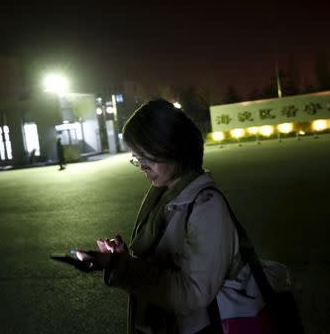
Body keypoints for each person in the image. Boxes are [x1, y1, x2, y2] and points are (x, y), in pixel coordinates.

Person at [76, 99, 241, 334]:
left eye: (147, 156)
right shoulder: (163, 194)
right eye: (136, 157)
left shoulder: (206, 206)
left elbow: (193, 293)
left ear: (173, 148)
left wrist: (120, 267)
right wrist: (122, 258)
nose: (142, 166)